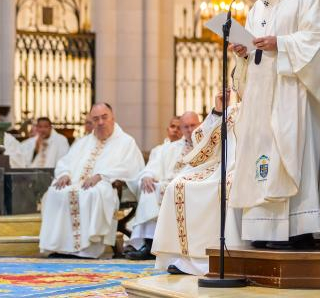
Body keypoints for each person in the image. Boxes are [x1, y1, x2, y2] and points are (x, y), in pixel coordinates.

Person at [227, 0, 320, 249]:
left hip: (292, 94)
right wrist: (243, 51)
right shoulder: (257, 6)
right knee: (260, 158)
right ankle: (262, 228)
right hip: (261, 95)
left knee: (289, 154)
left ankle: (295, 229)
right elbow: (256, 50)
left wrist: (281, 43)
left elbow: (317, 40)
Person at [152, 90, 242, 275]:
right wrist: (218, 111)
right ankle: (183, 259)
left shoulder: (257, 109)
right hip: (217, 168)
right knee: (177, 185)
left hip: (242, 167)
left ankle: (226, 257)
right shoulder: (230, 112)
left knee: (226, 187)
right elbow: (199, 139)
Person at [38, 103, 145, 258]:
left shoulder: (126, 142)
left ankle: (87, 248)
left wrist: (101, 176)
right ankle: (61, 247)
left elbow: (131, 168)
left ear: (112, 117)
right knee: (54, 192)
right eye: (96, 119)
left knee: (92, 194)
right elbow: (65, 161)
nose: (100, 122)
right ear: (91, 122)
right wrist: (65, 174)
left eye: (104, 117)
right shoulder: (83, 142)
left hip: (109, 186)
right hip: (77, 183)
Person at [123, 111, 200, 260]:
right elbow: (153, 167)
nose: (190, 130)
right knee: (149, 188)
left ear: (200, 124)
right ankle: (149, 244)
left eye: (193, 125)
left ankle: (173, 246)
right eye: (186, 127)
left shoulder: (207, 145)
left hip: (191, 186)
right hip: (168, 185)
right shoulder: (169, 148)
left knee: (175, 190)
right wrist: (148, 176)